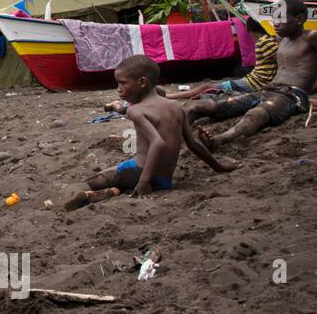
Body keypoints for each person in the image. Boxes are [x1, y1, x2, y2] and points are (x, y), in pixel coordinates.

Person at [64, 56, 236, 210]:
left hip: (140, 171)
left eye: (122, 83)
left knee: (92, 181)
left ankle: (88, 192)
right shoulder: (177, 107)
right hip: (164, 181)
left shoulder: (136, 110)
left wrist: (144, 181)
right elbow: (194, 144)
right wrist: (219, 167)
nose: (119, 89)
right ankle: (112, 192)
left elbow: (157, 142)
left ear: (142, 83)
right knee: (124, 182)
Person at [188, 0, 317, 147]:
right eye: (274, 19)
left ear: (300, 19)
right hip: (269, 89)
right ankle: (183, 128)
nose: (275, 23)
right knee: (212, 105)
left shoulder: (312, 37)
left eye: (281, 18)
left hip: (292, 95)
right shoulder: (281, 39)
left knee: (256, 114)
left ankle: (219, 140)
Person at [168, 17, 278, 101]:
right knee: (210, 86)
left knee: (207, 87)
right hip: (253, 81)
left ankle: (170, 96)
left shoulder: (264, 42)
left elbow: (279, 58)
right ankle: (171, 96)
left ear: (251, 31)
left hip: (253, 84)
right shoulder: (268, 40)